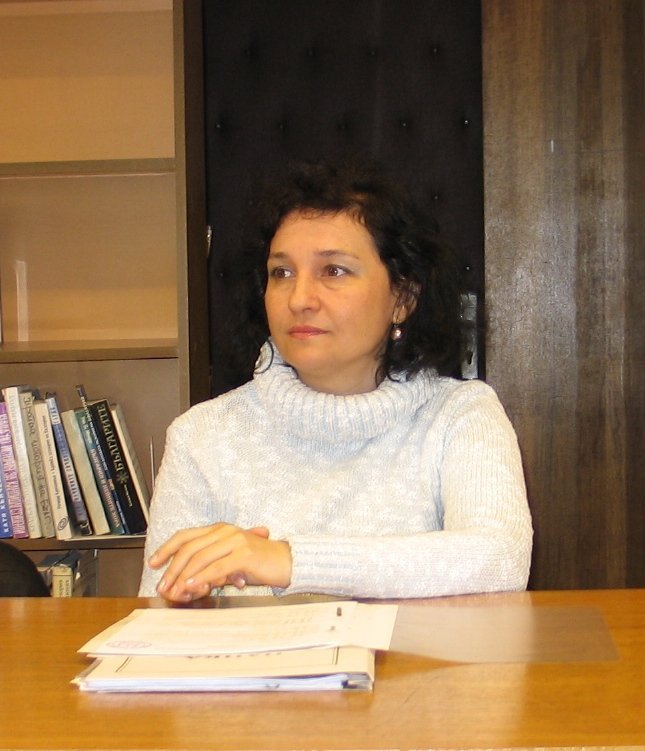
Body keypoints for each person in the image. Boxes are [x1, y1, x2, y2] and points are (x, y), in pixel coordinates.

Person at [139, 157, 532, 603]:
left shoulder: (461, 414)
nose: (300, 299)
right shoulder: (202, 435)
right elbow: (159, 608)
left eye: (334, 271)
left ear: (402, 298)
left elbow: (501, 558)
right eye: (282, 273)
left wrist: (288, 561)